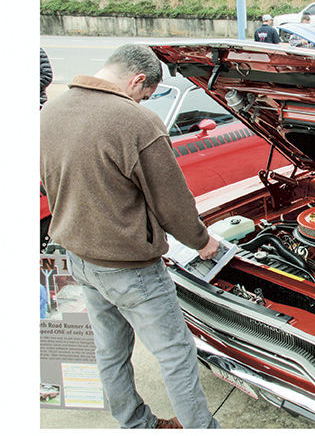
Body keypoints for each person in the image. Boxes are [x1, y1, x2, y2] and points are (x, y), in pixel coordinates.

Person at [40, 44, 221, 429]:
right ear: (138, 80)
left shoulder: (50, 111)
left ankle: (134, 424)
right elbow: (172, 202)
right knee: (176, 355)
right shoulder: (136, 123)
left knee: (110, 351)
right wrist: (202, 241)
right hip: (131, 270)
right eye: (147, 94)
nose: (144, 101)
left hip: (81, 259)